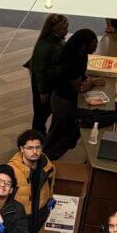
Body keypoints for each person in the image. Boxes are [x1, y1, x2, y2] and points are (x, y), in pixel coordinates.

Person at [44, 29, 98, 161]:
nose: (95, 47)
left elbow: (81, 77)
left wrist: (87, 80)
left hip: (64, 99)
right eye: (93, 44)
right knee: (57, 134)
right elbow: (78, 86)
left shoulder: (79, 54)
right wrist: (91, 83)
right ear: (83, 45)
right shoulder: (72, 62)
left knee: (61, 132)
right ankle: (46, 159)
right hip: (63, 102)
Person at [25, 15, 69, 133]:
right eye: (64, 28)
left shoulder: (53, 41)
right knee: (41, 114)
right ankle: (37, 137)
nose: (66, 31)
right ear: (56, 29)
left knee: (43, 112)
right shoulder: (46, 45)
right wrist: (42, 91)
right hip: (44, 84)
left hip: (48, 82)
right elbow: (40, 71)